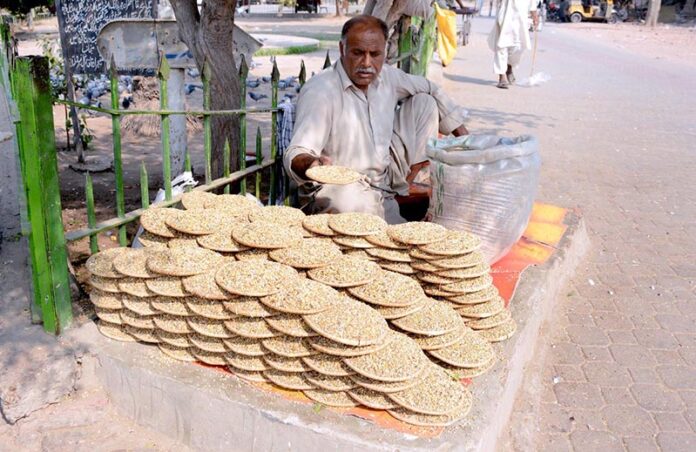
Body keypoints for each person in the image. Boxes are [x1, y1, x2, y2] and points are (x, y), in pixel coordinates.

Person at [283, 15, 469, 224]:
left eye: (375, 54)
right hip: (341, 191)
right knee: (352, 206)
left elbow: (432, 88)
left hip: (383, 183)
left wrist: (467, 143)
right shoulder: (321, 90)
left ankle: (412, 179)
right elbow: (297, 151)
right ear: (342, 49)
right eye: (358, 53)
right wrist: (312, 164)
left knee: (426, 101)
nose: (367, 63)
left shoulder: (387, 77)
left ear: (385, 52)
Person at [488, 0, 539, 89]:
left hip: (521, 18)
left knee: (518, 47)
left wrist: (534, 15)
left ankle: (509, 66)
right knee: (502, 46)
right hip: (505, 15)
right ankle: (502, 76)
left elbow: (532, 2)